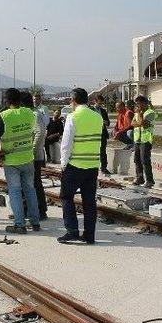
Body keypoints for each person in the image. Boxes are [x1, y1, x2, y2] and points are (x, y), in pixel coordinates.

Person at [58, 88, 103, 245]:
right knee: (89, 202)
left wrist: (63, 163)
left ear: (74, 100)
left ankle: (72, 231)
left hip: (75, 165)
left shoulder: (73, 116)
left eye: (71, 100)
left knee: (66, 196)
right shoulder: (98, 117)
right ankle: (89, 235)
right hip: (92, 166)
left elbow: (66, 144)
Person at [0, 88, 41, 234]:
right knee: (30, 190)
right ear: (20, 100)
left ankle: (19, 224)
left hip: (11, 161)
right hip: (27, 158)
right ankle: (35, 222)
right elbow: (32, 132)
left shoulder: (4, 116)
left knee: (15, 191)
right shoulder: (29, 113)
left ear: (6, 101)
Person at [23, 92, 48, 220]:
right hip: (31, 155)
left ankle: (40, 210)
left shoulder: (34, 114)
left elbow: (40, 133)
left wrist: (31, 150)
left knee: (35, 183)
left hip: (34, 156)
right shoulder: (30, 113)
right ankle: (34, 209)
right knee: (32, 183)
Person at [131, 96, 157, 188]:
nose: (138, 105)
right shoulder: (137, 113)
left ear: (145, 103)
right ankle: (140, 178)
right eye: (137, 103)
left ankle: (150, 180)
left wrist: (140, 116)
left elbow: (144, 125)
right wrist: (139, 122)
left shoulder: (151, 113)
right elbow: (132, 123)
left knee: (145, 160)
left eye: (139, 103)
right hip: (137, 139)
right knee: (137, 160)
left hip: (146, 140)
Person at [93, 95, 111, 175]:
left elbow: (108, 123)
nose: (100, 105)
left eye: (101, 104)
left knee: (103, 151)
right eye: (99, 103)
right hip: (93, 133)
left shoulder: (103, 111)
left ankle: (104, 168)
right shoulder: (90, 110)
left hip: (102, 133)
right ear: (95, 101)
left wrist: (105, 122)